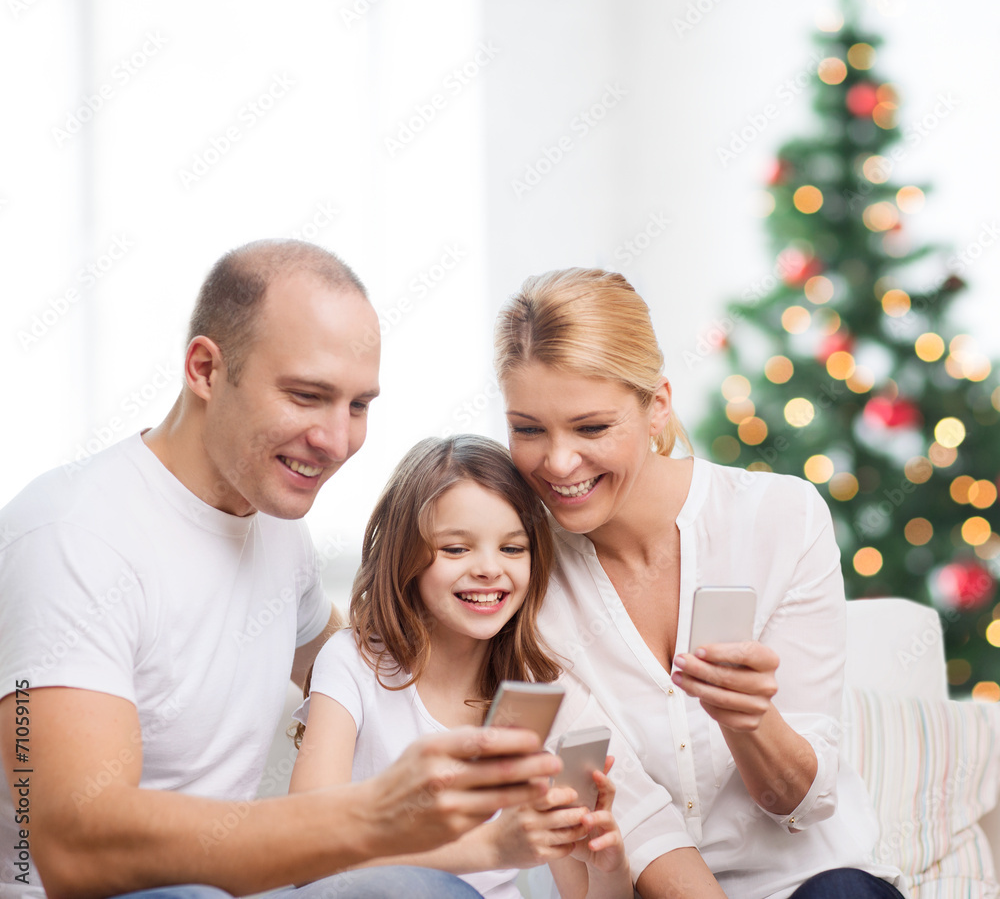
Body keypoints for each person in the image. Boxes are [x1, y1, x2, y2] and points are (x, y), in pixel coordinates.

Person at [0, 240, 562, 899]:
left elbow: (359, 655)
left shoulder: (275, 525)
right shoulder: (72, 534)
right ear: (207, 369)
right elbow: (74, 844)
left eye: (357, 405)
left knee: (425, 888)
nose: (335, 439)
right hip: (118, 893)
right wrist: (375, 813)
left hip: (239, 890)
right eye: (306, 395)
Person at [492, 267, 906, 899]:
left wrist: (748, 722)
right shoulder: (519, 577)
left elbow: (803, 801)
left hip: (811, 882)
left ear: (657, 406)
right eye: (528, 429)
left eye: (592, 427)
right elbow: (624, 812)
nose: (558, 462)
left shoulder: (781, 519)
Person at [289, 434, 633, 899]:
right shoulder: (352, 662)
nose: (490, 569)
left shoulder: (536, 691)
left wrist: (608, 870)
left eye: (513, 549)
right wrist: (487, 847)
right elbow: (307, 853)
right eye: (456, 549)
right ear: (404, 556)